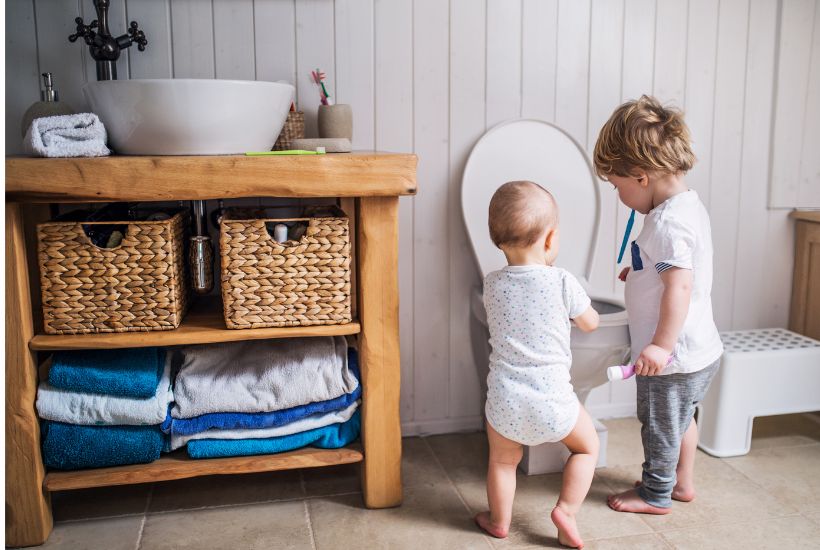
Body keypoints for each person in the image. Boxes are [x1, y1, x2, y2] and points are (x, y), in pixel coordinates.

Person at [593, 95, 724, 514]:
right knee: (681, 419)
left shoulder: (667, 223)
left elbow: (679, 288)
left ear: (642, 176)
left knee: (661, 426)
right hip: (699, 349)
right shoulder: (684, 206)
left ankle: (656, 494)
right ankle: (681, 482)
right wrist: (641, 271)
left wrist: (660, 346)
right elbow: (678, 271)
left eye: (617, 186)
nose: (618, 195)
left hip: (673, 355)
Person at [475, 180, 600, 548]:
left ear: (498, 240)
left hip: (505, 402)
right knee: (586, 448)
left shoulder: (492, 284)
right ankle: (566, 510)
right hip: (553, 401)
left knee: (501, 462)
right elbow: (591, 322)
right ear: (550, 240)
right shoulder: (562, 281)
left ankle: (499, 521)